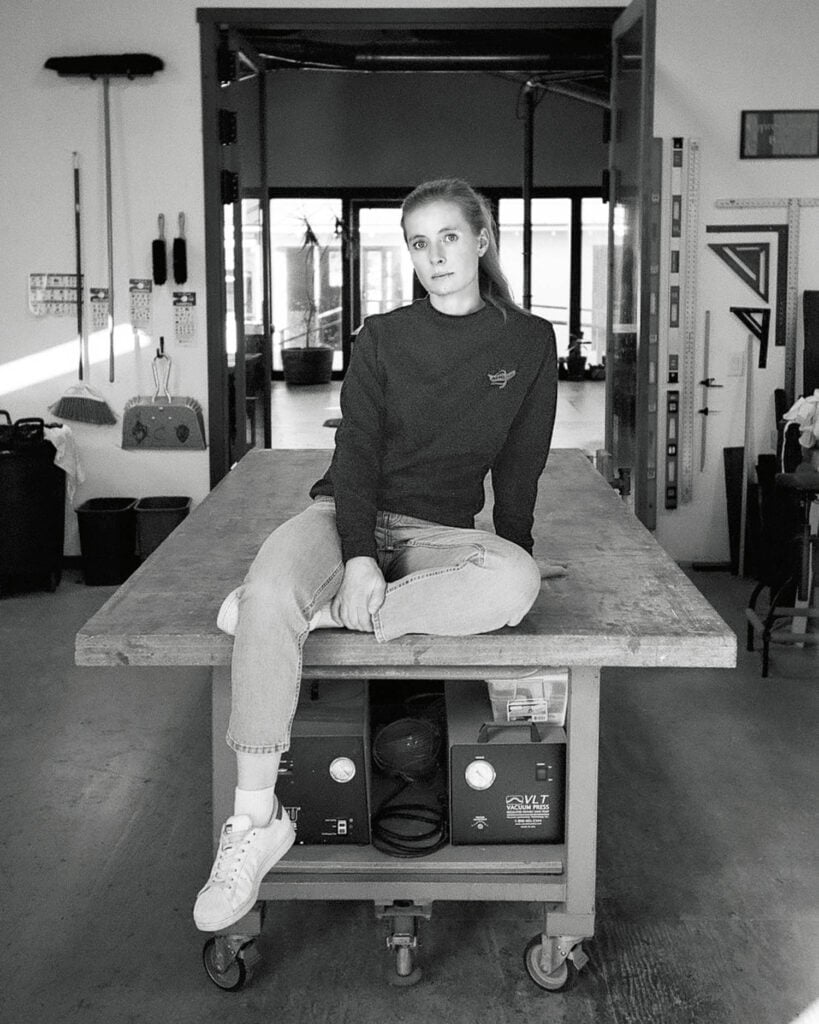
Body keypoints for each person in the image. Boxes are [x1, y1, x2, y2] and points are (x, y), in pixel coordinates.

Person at [193, 177, 559, 933]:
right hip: (343, 512)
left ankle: (307, 615)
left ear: (481, 240)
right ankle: (253, 823)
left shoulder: (527, 342)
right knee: (266, 593)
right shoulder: (383, 336)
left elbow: (520, 466)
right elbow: (354, 452)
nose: (435, 257)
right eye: (419, 243)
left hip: (438, 534)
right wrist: (358, 555)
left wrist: (508, 553)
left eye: (449, 237)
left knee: (514, 586)